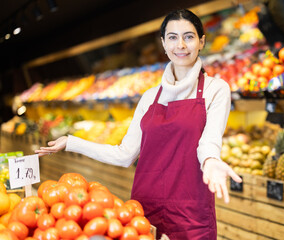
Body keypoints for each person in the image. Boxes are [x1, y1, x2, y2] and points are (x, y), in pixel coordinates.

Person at [36, 9, 241, 240]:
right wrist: (71, 142)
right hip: (145, 210)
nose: (180, 44)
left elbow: (209, 141)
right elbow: (124, 154)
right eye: (172, 37)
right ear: (163, 43)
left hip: (190, 214)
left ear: (201, 41)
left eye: (189, 36)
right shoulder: (149, 97)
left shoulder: (216, 89)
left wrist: (211, 160)